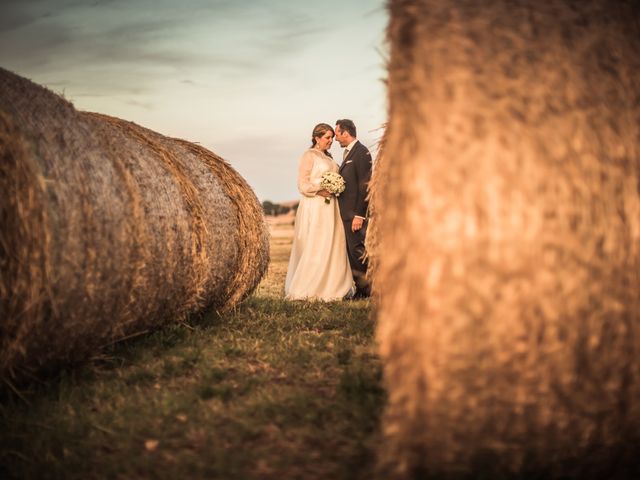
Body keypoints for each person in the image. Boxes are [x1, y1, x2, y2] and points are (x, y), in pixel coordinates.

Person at [284, 123, 355, 301]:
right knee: (316, 244)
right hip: (315, 206)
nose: (331, 141)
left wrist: (335, 188)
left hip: (331, 207)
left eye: (332, 137)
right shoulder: (309, 156)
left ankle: (333, 286)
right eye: (327, 138)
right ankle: (308, 287)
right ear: (317, 138)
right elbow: (302, 184)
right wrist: (320, 188)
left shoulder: (329, 158)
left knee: (332, 244)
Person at [335, 119, 372, 298]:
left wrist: (360, 215)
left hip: (355, 215)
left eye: (337, 134)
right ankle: (362, 288)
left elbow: (365, 186)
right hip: (347, 214)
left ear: (345, 133)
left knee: (357, 251)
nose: (335, 139)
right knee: (352, 251)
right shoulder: (349, 153)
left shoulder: (361, 153)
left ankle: (368, 290)